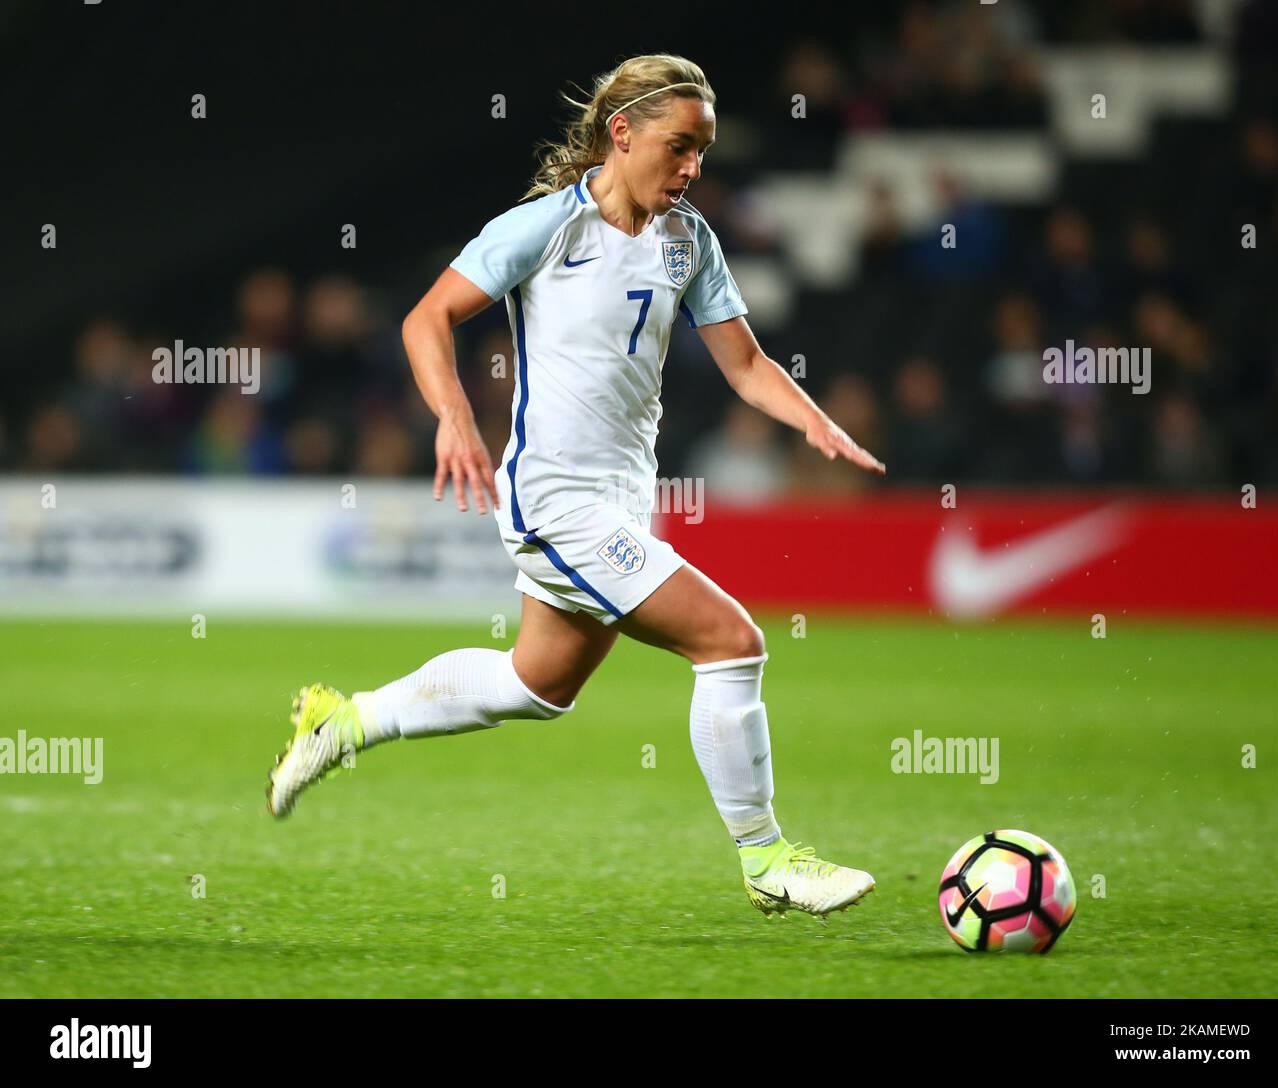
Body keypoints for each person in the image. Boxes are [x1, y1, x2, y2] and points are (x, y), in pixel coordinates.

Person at [266, 54, 886, 918]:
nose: (693, 169)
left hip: (622, 499)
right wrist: (452, 416)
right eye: (679, 147)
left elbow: (746, 365)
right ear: (621, 133)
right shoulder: (545, 227)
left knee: (537, 684)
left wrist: (811, 418)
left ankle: (345, 721)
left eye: (702, 151)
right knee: (731, 643)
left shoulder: (689, 240)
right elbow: (426, 317)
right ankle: (767, 857)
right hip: (553, 499)